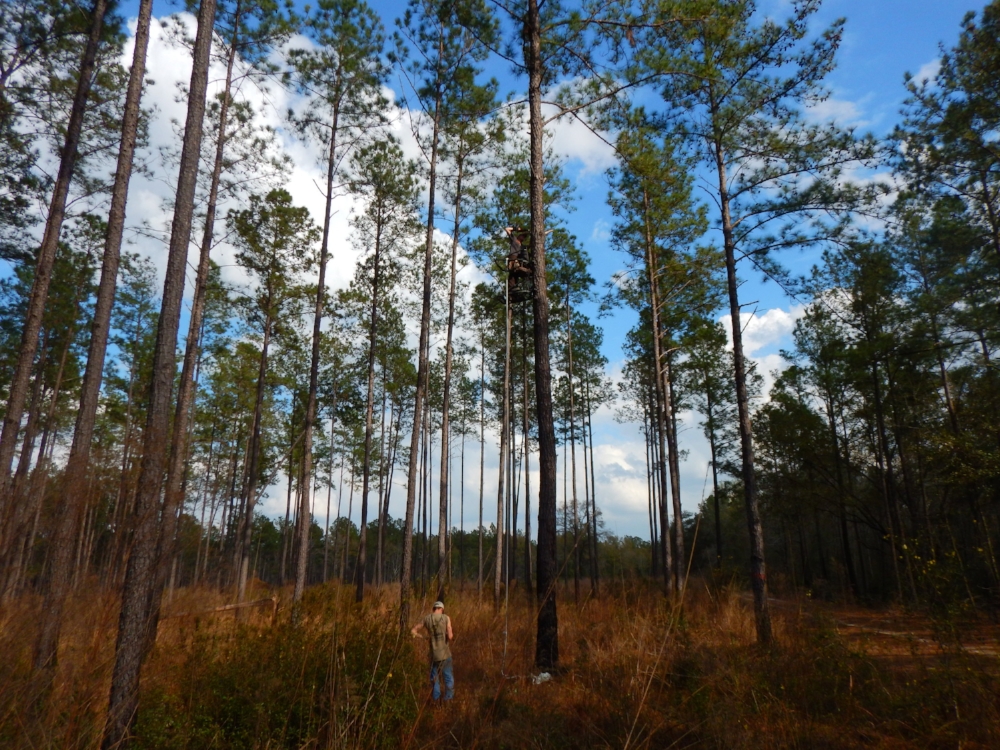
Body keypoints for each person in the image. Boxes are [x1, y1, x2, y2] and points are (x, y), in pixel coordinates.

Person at [411, 600, 455, 701]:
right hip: (445, 654)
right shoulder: (446, 618)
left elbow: (413, 631)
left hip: (434, 655)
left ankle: (436, 699)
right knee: (448, 677)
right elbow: (450, 636)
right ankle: (448, 700)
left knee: (434, 678)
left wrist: (423, 637)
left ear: (434, 609)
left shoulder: (427, 619)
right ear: (441, 609)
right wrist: (448, 635)